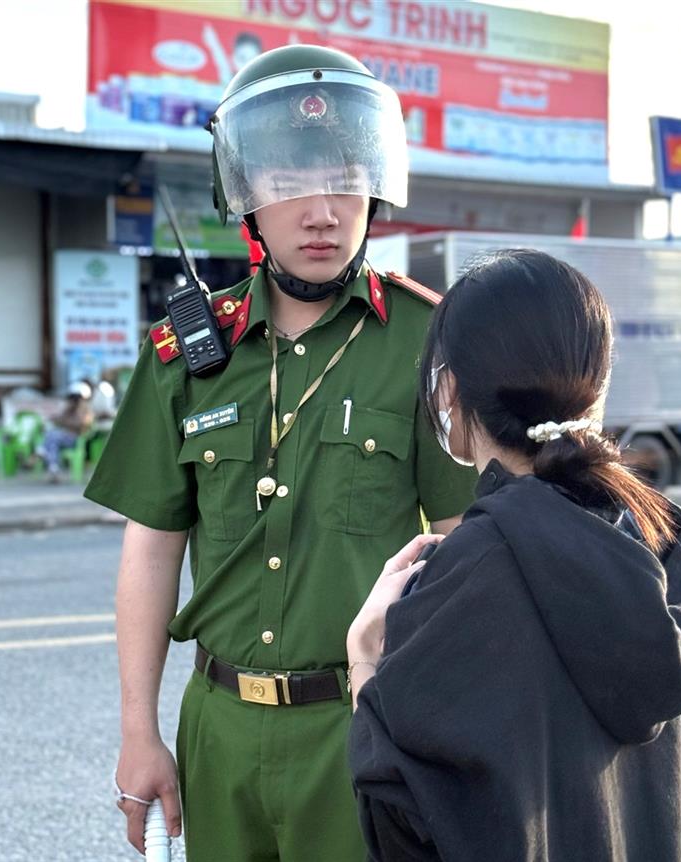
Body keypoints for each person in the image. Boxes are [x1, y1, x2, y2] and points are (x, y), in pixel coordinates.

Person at [84, 44, 475, 860]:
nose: (321, 212)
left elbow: (463, 547)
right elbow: (151, 550)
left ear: (374, 186)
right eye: (289, 185)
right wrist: (138, 733)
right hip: (217, 732)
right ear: (247, 199)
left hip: (366, 726)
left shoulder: (428, 344)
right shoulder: (184, 355)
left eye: (341, 180)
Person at [347, 249, 681, 862]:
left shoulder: (466, 576)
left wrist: (364, 662)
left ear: (452, 390)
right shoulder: (661, 540)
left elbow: (403, 818)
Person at [38, 380, 93, 483]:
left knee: (52, 436)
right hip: (62, 438)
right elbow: (59, 419)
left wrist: (65, 421)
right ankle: (54, 469)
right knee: (52, 442)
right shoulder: (68, 409)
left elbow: (82, 424)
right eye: (72, 397)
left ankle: (41, 450)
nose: (73, 400)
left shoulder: (85, 411)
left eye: (76, 398)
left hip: (75, 439)